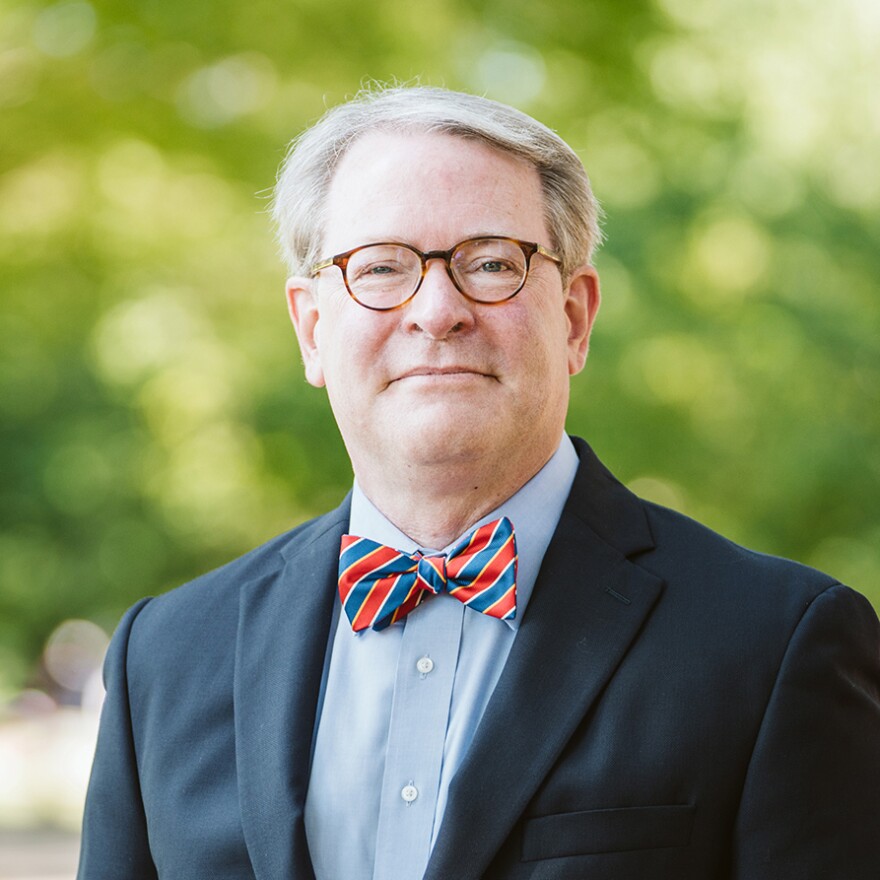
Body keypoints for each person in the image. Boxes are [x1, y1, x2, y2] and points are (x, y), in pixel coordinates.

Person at [77, 85, 880, 880]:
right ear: (313, 330)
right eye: (382, 267)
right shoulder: (165, 657)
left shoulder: (777, 645)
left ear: (574, 317)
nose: (437, 310)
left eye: (491, 263)